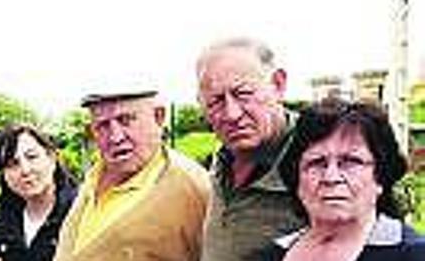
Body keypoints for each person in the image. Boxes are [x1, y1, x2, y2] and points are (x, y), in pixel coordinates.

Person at [256, 97, 425, 260]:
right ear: (297, 179)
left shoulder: (414, 253)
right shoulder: (270, 255)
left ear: (380, 176)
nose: (331, 177)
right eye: (317, 163)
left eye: (351, 162)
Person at [52, 89, 210, 261]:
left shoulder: (192, 187)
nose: (116, 137)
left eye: (125, 120)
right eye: (103, 125)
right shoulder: (93, 176)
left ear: (158, 117)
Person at [196, 37, 306, 261]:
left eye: (243, 94)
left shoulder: (323, 163)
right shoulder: (221, 160)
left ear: (278, 84)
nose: (232, 114)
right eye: (215, 101)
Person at [0, 123, 77, 261]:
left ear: (52, 158)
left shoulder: (81, 213)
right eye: (13, 164)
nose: (25, 170)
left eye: (32, 157)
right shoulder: (0, 226)